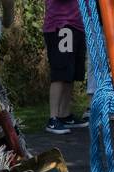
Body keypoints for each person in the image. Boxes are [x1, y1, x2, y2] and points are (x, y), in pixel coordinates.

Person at [43, 0, 88, 135]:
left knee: (71, 72)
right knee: (61, 70)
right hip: (62, 25)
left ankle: (64, 114)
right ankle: (53, 118)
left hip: (77, 26)